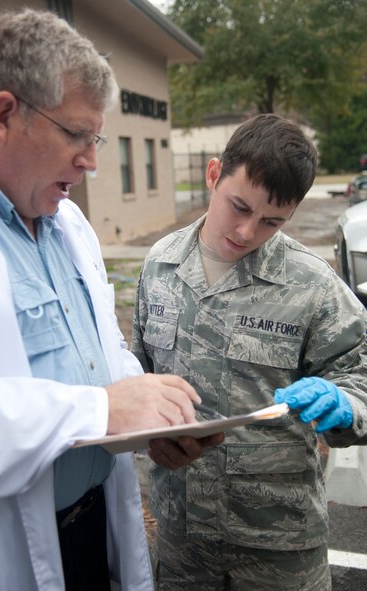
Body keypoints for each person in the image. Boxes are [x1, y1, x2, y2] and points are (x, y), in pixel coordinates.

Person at [0, 8, 206, 591]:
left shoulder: (68, 224)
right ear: (4, 115)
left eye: (96, 138)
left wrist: (149, 420)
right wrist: (100, 410)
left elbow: (99, 352)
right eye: (76, 134)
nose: (94, 160)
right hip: (6, 556)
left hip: (92, 530)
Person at [132, 114, 367, 590]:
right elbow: (138, 377)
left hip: (279, 545)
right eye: (238, 206)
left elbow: (359, 377)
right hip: (182, 539)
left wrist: (346, 405)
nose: (245, 230)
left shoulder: (313, 285)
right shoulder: (159, 265)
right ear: (214, 174)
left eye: (271, 221)